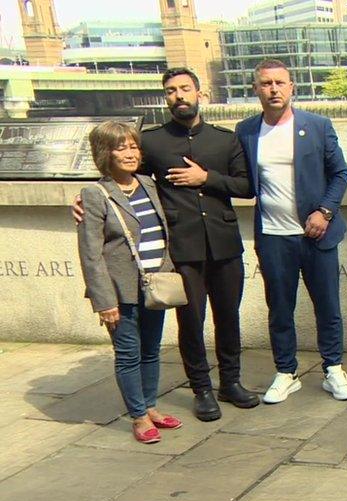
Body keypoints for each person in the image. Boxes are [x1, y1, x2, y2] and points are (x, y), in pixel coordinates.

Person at [74, 68, 259, 422]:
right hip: (180, 249)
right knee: (191, 320)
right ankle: (202, 389)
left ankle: (231, 382)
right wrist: (83, 200)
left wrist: (207, 178)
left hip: (224, 244)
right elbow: (119, 172)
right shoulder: (153, 141)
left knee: (228, 317)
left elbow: (246, 186)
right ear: (166, 97)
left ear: (199, 93)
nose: (179, 96)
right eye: (171, 91)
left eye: (185, 89)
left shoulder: (225, 139)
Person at [235, 59, 347, 404]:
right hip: (273, 237)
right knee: (280, 309)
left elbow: (340, 174)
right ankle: (286, 372)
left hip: (316, 234)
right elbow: (240, 181)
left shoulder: (317, 126)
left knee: (328, 306)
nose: (273, 89)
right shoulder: (246, 131)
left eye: (280, 83)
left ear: (292, 88)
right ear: (256, 89)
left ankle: (333, 368)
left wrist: (325, 212)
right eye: (266, 84)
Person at [77, 121, 182, 444]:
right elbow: (90, 254)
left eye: (133, 146)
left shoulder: (148, 184)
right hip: (119, 291)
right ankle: (137, 416)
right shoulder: (95, 194)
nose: (130, 153)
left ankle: (150, 406)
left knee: (151, 351)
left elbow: (163, 229)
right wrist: (104, 301)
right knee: (128, 354)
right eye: (121, 147)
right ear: (105, 153)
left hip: (154, 285)